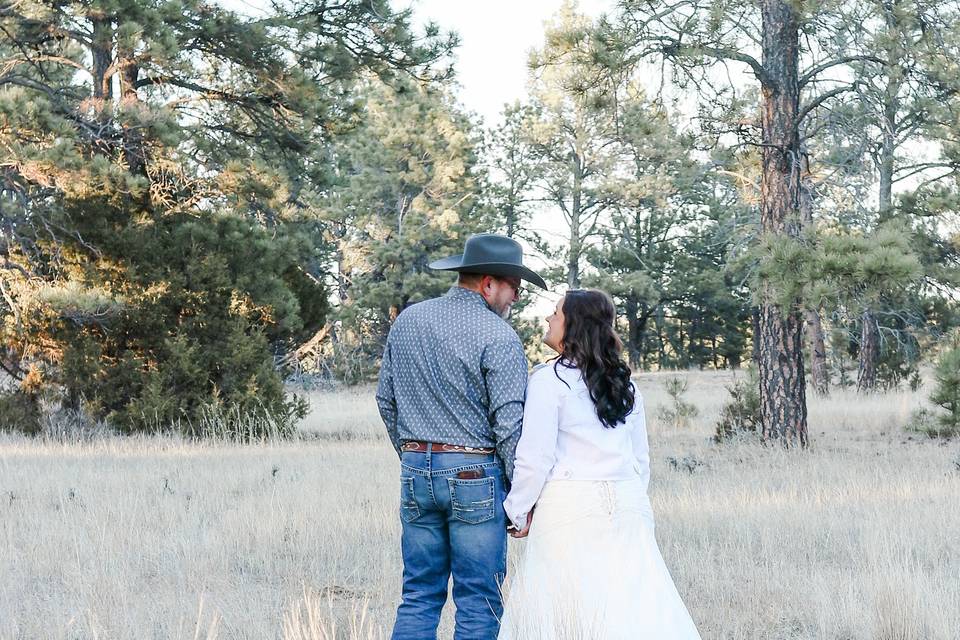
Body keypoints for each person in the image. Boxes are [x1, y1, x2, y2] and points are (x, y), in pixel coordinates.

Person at [499, 289, 702, 639]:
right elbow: (641, 460)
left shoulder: (550, 380)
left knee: (564, 606)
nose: (548, 318)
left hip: (569, 504)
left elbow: (535, 457)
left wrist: (516, 511)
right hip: (627, 502)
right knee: (633, 601)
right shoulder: (626, 385)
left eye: (556, 313)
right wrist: (631, 501)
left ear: (574, 326)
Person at [376, 233, 547, 640]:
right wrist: (522, 495)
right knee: (478, 599)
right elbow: (509, 425)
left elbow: (385, 400)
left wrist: (414, 455)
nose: (517, 298)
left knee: (418, 594)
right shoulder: (499, 336)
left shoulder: (408, 320)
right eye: (514, 288)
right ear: (488, 284)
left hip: (416, 470)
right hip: (476, 477)